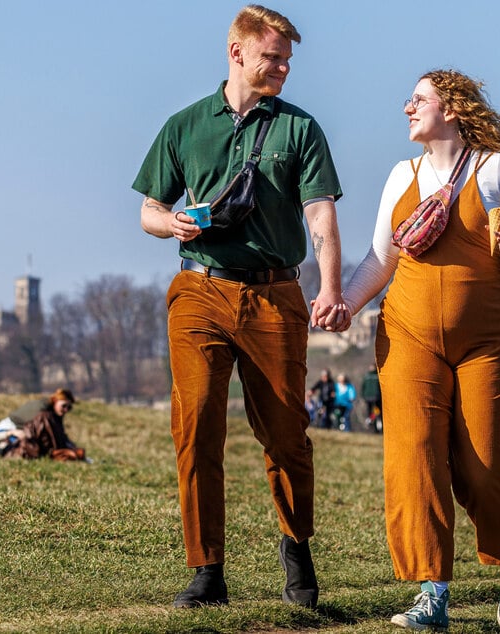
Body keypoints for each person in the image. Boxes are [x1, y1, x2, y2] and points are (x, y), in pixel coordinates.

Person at [131, 4, 347, 610]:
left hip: (276, 293)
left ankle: (296, 547)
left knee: (285, 432)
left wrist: (329, 288)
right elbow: (147, 209)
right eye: (271, 57)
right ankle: (206, 571)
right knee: (196, 423)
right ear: (237, 53)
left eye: (286, 61)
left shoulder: (300, 129)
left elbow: (321, 216)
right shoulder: (185, 125)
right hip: (199, 289)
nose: (281, 68)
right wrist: (169, 223)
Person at [331, 69, 500, 630]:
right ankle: (432, 593)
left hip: (488, 342)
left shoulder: (494, 168)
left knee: (484, 464)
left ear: (451, 107)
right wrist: (344, 305)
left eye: (418, 99)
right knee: (414, 455)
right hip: (408, 333)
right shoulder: (401, 175)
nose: (408, 108)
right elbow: (381, 260)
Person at [360, 363, 382, 431]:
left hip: (368, 397)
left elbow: (362, 387)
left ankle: (370, 419)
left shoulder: (366, 376)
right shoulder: (378, 376)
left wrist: (363, 396)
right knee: (377, 411)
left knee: (370, 411)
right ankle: (376, 421)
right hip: (376, 397)